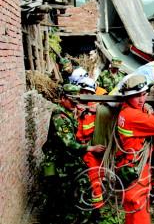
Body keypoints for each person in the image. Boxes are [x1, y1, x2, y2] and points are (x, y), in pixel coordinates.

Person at [41, 84, 104, 223]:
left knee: (64, 194)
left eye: (76, 102)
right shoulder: (59, 116)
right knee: (64, 193)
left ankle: (80, 216)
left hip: (66, 159)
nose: (75, 105)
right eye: (72, 101)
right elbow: (69, 143)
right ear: (62, 98)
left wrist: (78, 115)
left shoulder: (68, 112)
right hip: (59, 162)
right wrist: (90, 148)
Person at [116, 74, 154, 224]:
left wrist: (146, 109)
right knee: (138, 210)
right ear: (128, 97)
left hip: (130, 167)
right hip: (136, 171)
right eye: (137, 96)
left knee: (133, 210)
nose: (142, 100)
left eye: (144, 94)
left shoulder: (126, 110)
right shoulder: (132, 116)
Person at [75, 77, 107, 210]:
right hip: (87, 149)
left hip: (91, 149)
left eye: (88, 92)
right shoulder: (82, 109)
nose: (86, 95)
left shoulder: (93, 110)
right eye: (83, 91)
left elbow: (85, 132)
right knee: (94, 179)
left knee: (95, 178)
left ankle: (96, 209)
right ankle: (95, 206)